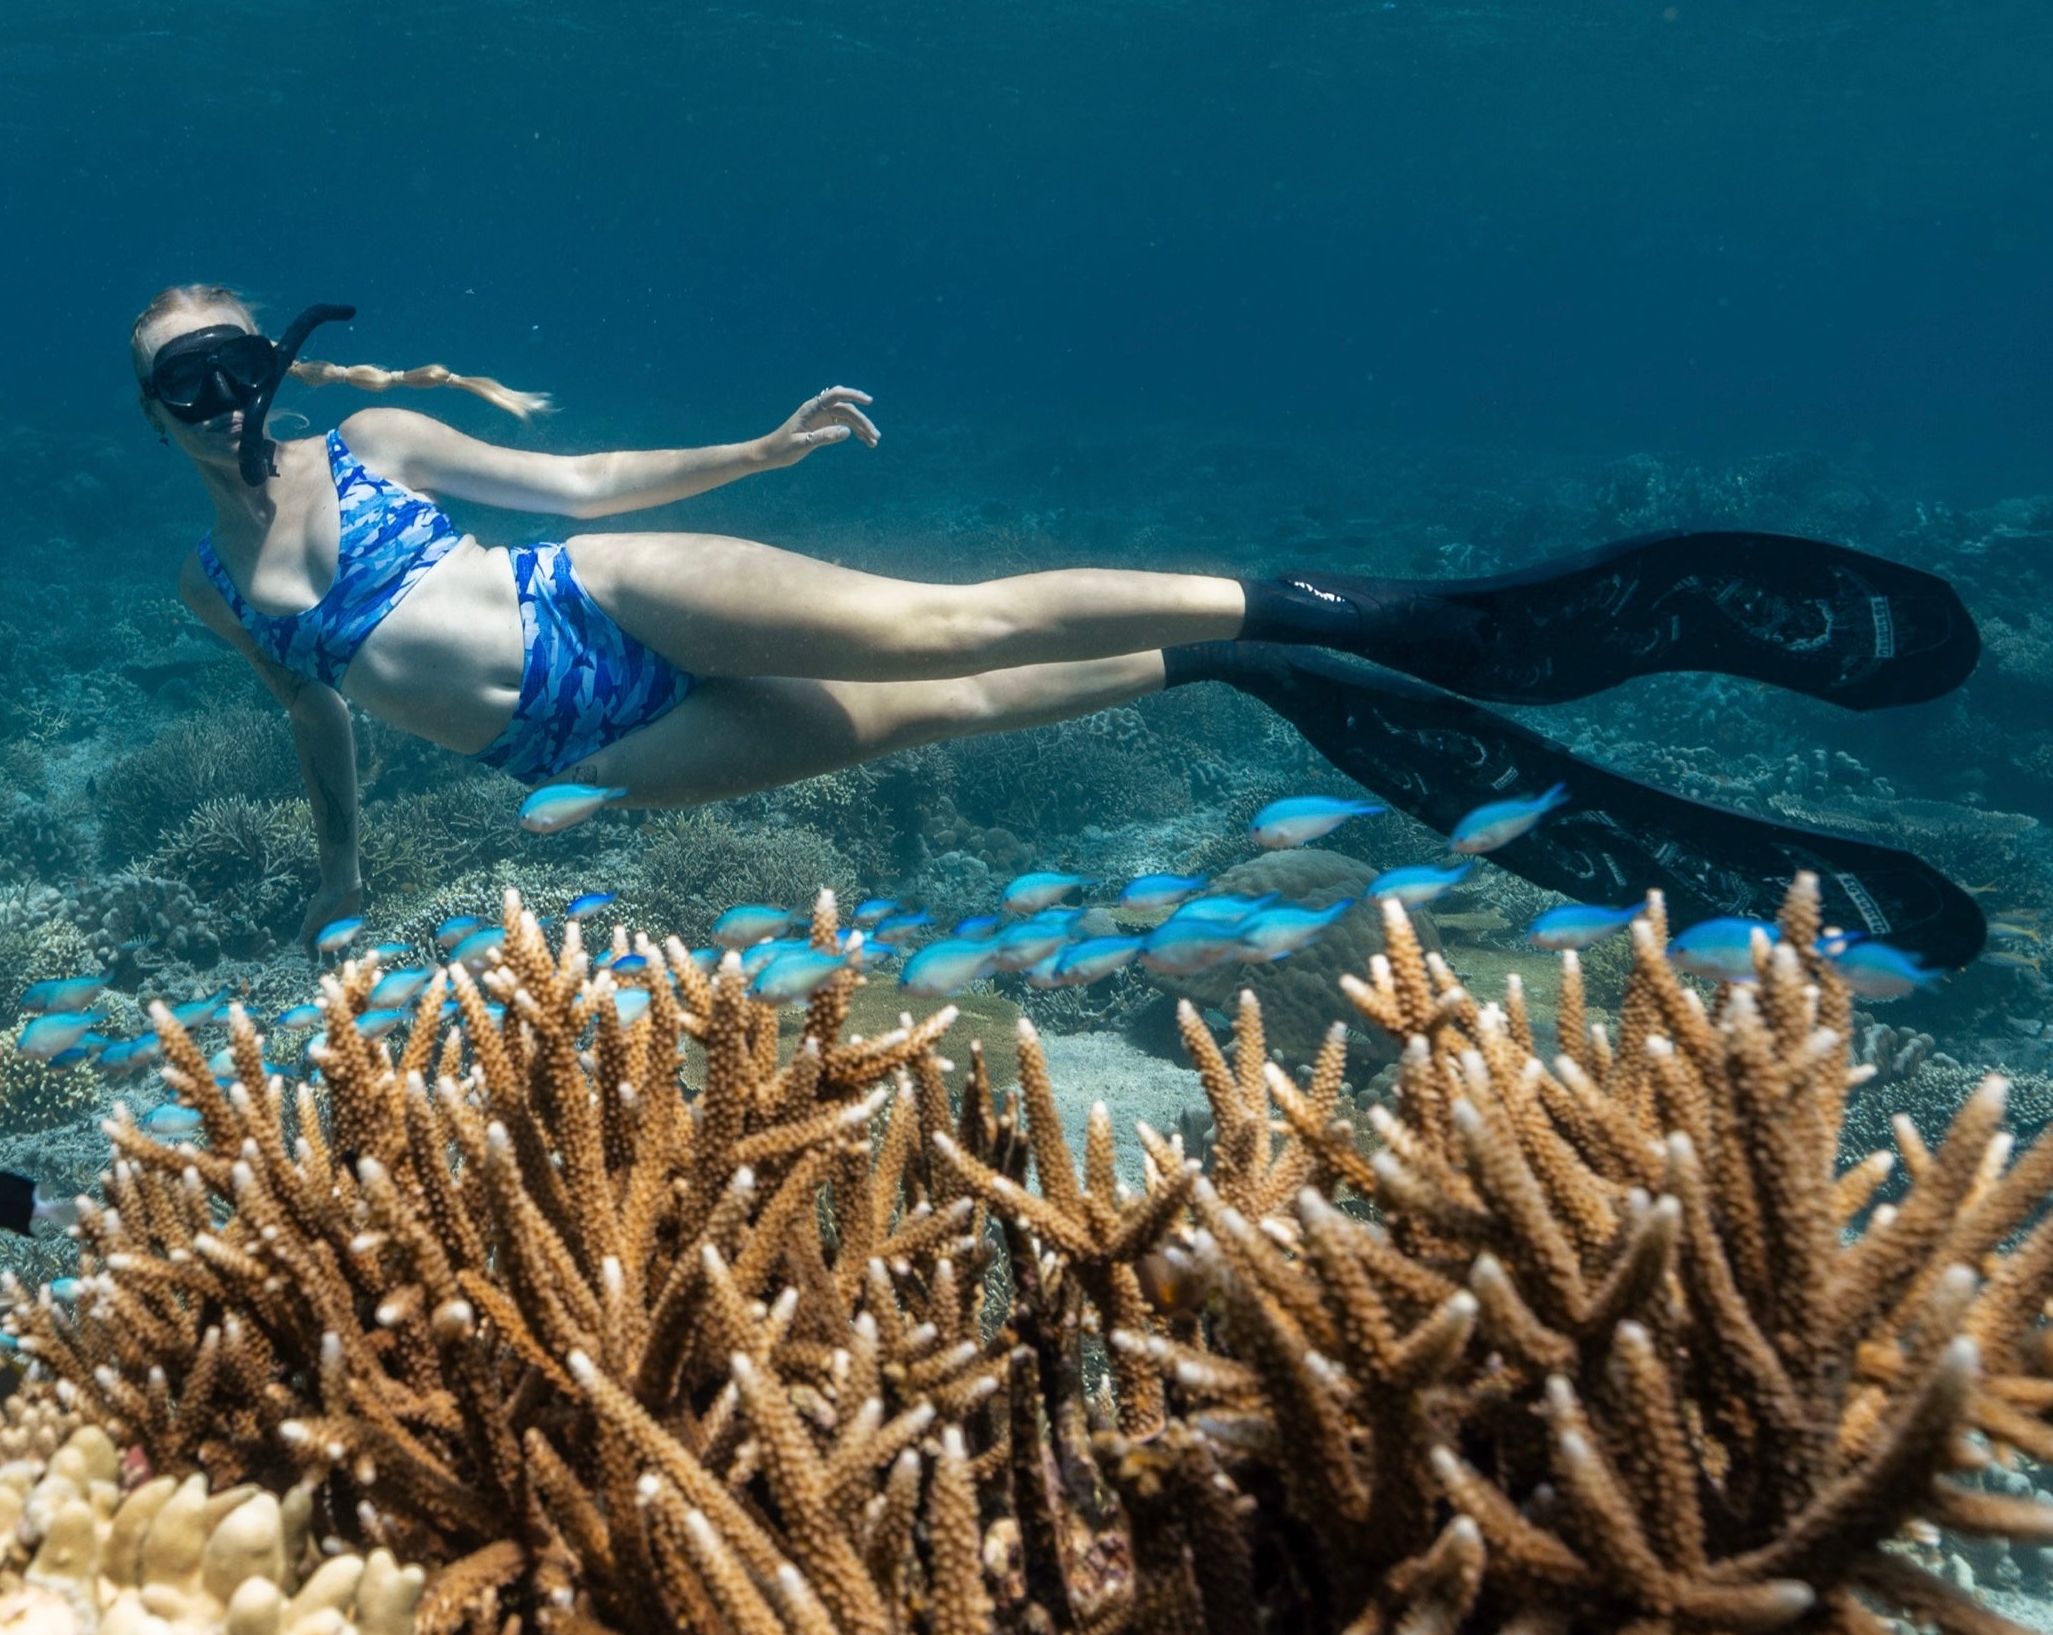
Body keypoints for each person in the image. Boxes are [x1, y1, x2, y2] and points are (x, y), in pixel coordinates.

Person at [134, 286, 1988, 967]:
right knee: (960, 712)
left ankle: (1398, 616)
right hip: (589, 749)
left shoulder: (374, 443)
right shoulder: (213, 592)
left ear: (273, 361)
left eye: (233, 361)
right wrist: (338, 870)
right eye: (181, 384)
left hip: (595, 598)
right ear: (153, 416)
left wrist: (759, 450)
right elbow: (320, 722)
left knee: (950, 629)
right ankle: (1247, 662)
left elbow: (587, 480)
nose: (220, 399)